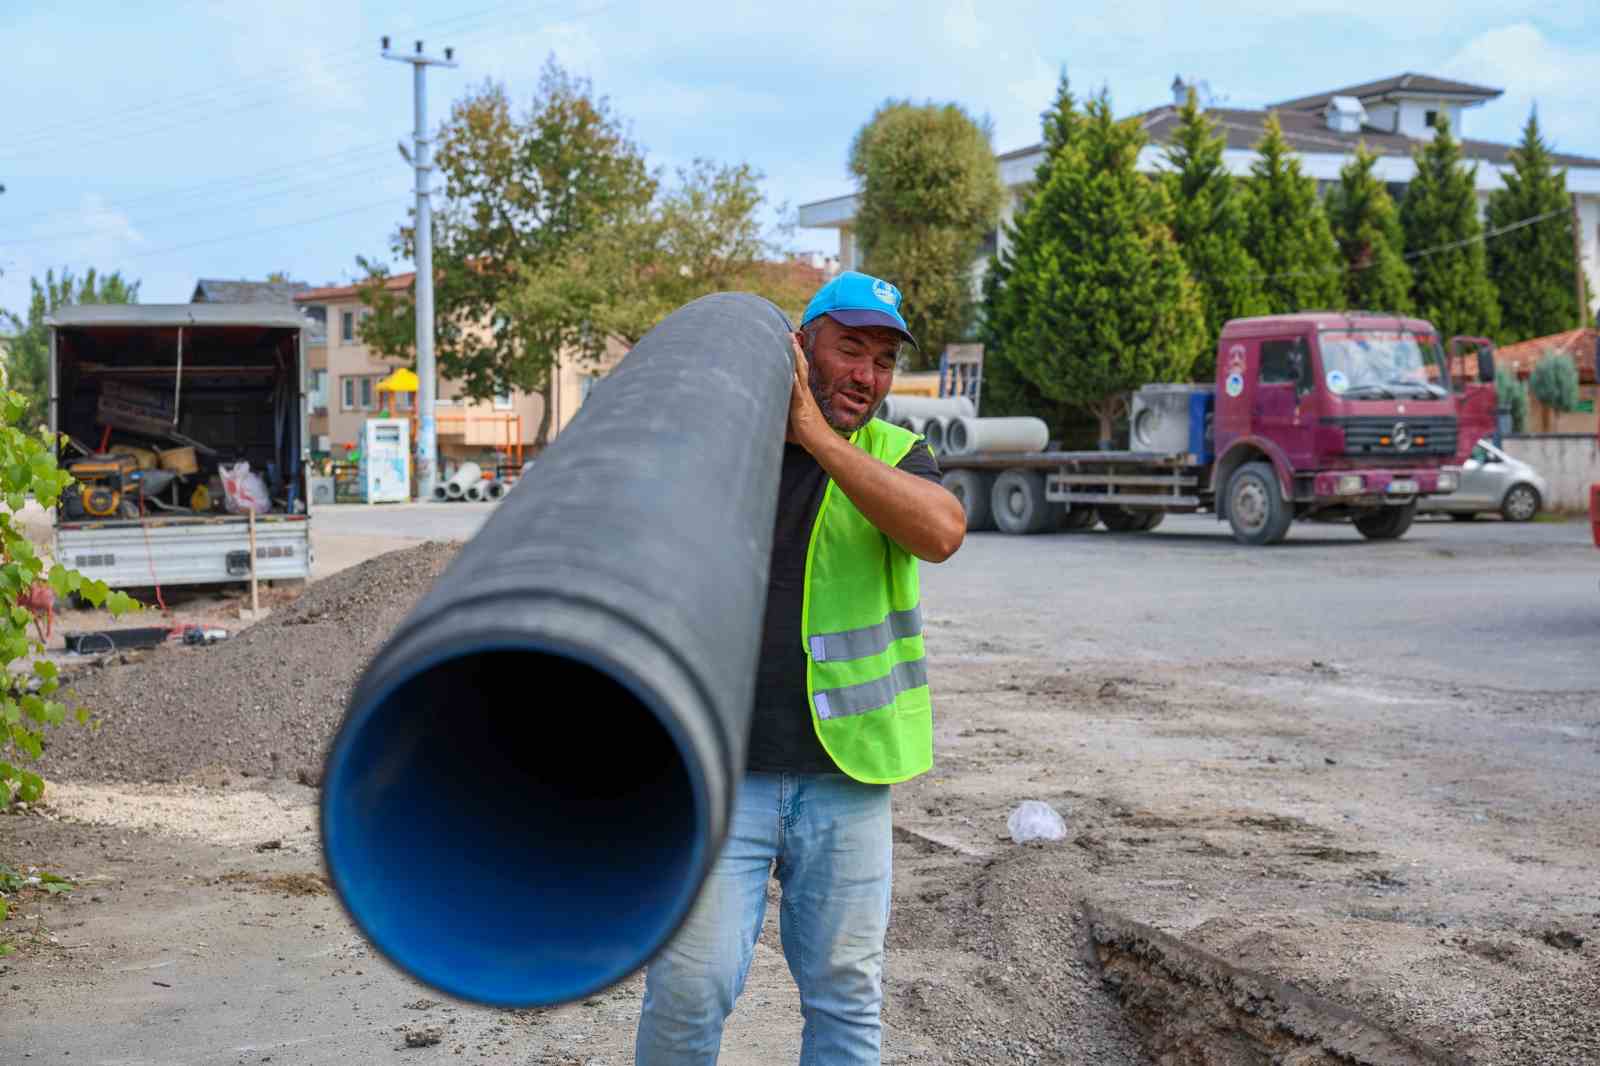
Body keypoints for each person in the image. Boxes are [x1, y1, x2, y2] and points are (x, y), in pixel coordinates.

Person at [635, 271, 968, 1065]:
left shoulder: (895, 453)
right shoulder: (721, 446)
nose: (867, 374)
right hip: (721, 777)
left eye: (884, 359)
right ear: (800, 343)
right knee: (689, 990)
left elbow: (942, 532)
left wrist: (819, 437)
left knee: (846, 997)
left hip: (845, 778)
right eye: (850, 348)